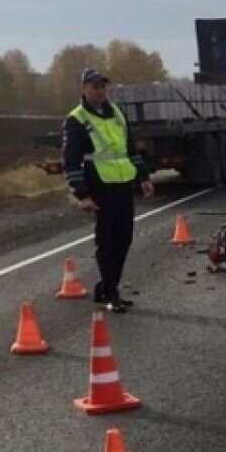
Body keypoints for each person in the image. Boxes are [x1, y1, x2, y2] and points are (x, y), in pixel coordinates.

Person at [62, 68, 154, 313]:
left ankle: (105, 286)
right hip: (100, 185)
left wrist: (144, 177)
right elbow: (70, 161)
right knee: (107, 241)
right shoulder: (77, 119)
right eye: (94, 86)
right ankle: (112, 293)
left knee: (124, 238)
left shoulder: (117, 114)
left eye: (103, 86)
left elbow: (130, 148)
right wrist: (82, 195)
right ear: (84, 89)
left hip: (123, 182)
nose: (100, 91)